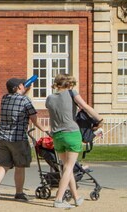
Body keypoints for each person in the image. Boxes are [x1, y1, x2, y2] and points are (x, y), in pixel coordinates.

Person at [45, 73, 102, 209]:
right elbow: (86, 107)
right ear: (69, 84)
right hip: (71, 133)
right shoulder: (72, 93)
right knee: (69, 167)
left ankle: (76, 197)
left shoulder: (49, 98)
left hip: (57, 135)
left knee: (66, 167)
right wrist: (100, 120)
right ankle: (59, 199)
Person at [0, 77, 49, 202]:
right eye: (22, 84)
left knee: (4, 164)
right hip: (18, 138)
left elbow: (18, 99)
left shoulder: (5, 98)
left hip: (2, 137)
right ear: (18, 87)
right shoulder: (25, 100)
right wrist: (44, 129)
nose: (24, 85)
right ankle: (19, 192)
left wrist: (26, 89)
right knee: (20, 166)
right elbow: (34, 118)